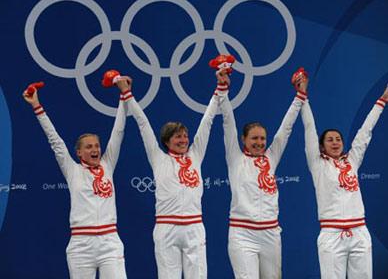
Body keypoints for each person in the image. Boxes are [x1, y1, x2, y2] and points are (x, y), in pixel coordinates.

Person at [23, 77, 132, 279]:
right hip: (81, 246)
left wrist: (123, 96)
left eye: (97, 146)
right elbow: (54, 140)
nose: (95, 149)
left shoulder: (108, 165)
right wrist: (37, 107)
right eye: (89, 147)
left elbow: (118, 132)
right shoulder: (72, 171)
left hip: (110, 243)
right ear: (79, 153)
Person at [122, 75, 225, 279]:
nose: (184, 139)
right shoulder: (158, 158)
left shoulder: (195, 155)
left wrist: (219, 91)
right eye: (178, 136)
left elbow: (207, 123)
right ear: (167, 141)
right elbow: (143, 124)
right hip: (166, 228)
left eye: (185, 135)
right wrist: (127, 95)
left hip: (194, 227)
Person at [299, 74, 388, 279]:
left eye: (338, 139)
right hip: (331, 235)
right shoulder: (318, 165)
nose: (335, 142)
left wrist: (380, 103)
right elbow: (310, 129)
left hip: (359, 233)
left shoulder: (351, 161)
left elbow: (364, 133)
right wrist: (303, 98)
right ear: (321, 146)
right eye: (330, 140)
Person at [218, 68, 308, 279]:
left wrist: (300, 96)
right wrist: (223, 91)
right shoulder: (235, 158)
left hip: (270, 234)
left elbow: (286, 129)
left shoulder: (271, 157)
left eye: (262, 139)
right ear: (243, 140)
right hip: (242, 235)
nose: (259, 143)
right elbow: (228, 123)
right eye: (254, 139)